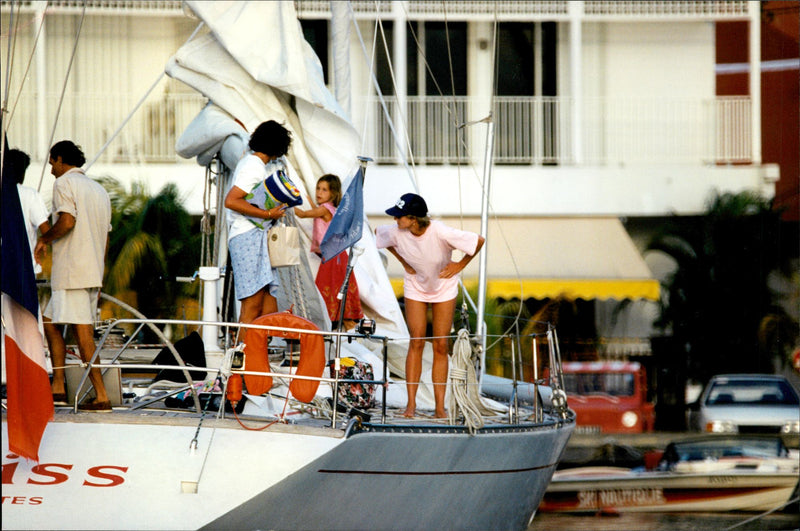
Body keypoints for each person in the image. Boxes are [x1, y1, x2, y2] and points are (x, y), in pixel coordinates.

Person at [375, 193, 484, 418]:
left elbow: (478, 241)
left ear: (414, 219)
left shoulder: (440, 231)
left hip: (443, 286)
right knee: (416, 342)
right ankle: (411, 405)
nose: (395, 220)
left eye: (400, 216)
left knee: (441, 346)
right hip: (415, 285)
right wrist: (404, 261)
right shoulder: (397, 231)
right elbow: (379, 235)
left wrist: (459, 265)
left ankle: (439, 408)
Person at [35, 140, 112, 411]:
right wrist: (99, 272)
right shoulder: (99, 190)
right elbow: (105, 238)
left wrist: (44, 239)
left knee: (83, 335)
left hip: (73, 273)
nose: (51, 168)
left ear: (60, 160)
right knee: (50, 322)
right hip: (90, 272)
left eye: (52, 162)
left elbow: (67, 221)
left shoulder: (64, 184)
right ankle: (58, 385)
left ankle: (101, 395)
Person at [223, 120, 292, 342]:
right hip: (247, 236)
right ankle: (240, 365)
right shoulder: (253, 166)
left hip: (254, 236)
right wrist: (268, 215)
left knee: (266, 305)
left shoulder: (251, 163)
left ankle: (255, 358)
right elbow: (232, 200)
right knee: (252, 306)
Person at [295, 174, 363, 329]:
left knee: (326, 290)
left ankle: (341, 325)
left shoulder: (324, 209)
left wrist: (286, 204)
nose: (319, 192)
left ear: (332, 194)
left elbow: (303, 214)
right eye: (318, 188)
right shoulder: (330, 209)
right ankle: (348, 329)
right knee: (336, 292)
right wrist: (313, 204)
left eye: (324, 190)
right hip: (335, 257)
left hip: (333, 259)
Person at [8, 148, 51, 274]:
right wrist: (43, 241)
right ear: (23, 172)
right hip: (23, 269)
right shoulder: (30, 195)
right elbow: (45, 229)